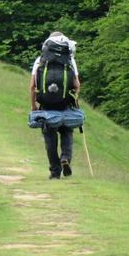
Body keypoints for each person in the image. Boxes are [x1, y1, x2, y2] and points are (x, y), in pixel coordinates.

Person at [29, 31, 81, 179]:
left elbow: (32, 86)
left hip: (46, 105)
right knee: (67, 133)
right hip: (65, 104)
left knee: (50, 138)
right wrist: (75, 99)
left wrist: (33, 107)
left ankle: (55, 172)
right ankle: (65, 157)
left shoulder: (40, 60)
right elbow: (77, 85)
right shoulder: (69, 60)